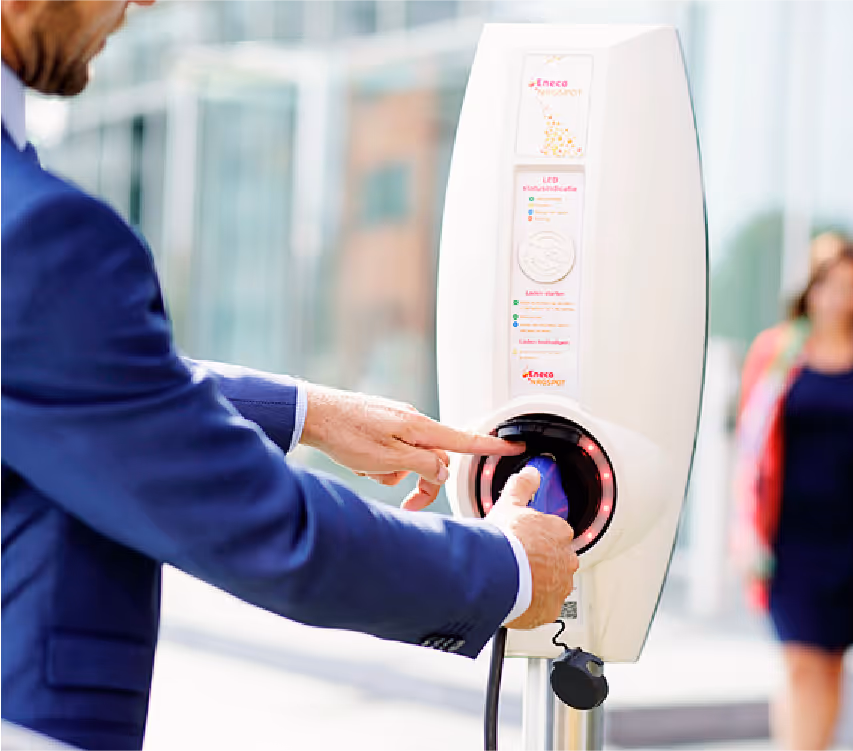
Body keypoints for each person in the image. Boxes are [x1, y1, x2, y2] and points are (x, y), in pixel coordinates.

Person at [0, 2, 579, 749]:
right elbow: (265, 530)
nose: (143, 2)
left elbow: (57, 377)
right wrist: (507, 568)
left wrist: (307, 412)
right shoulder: (37, 230)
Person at [731, 234, 853, 751]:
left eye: (850, 287)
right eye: (827, 284)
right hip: (787, 533)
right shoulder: (774, 350)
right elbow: (748, 448)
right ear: (809, 289)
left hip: (851, 532)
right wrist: (742, 529)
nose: (836, 297)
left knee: (833, 660)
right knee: (799, 659)